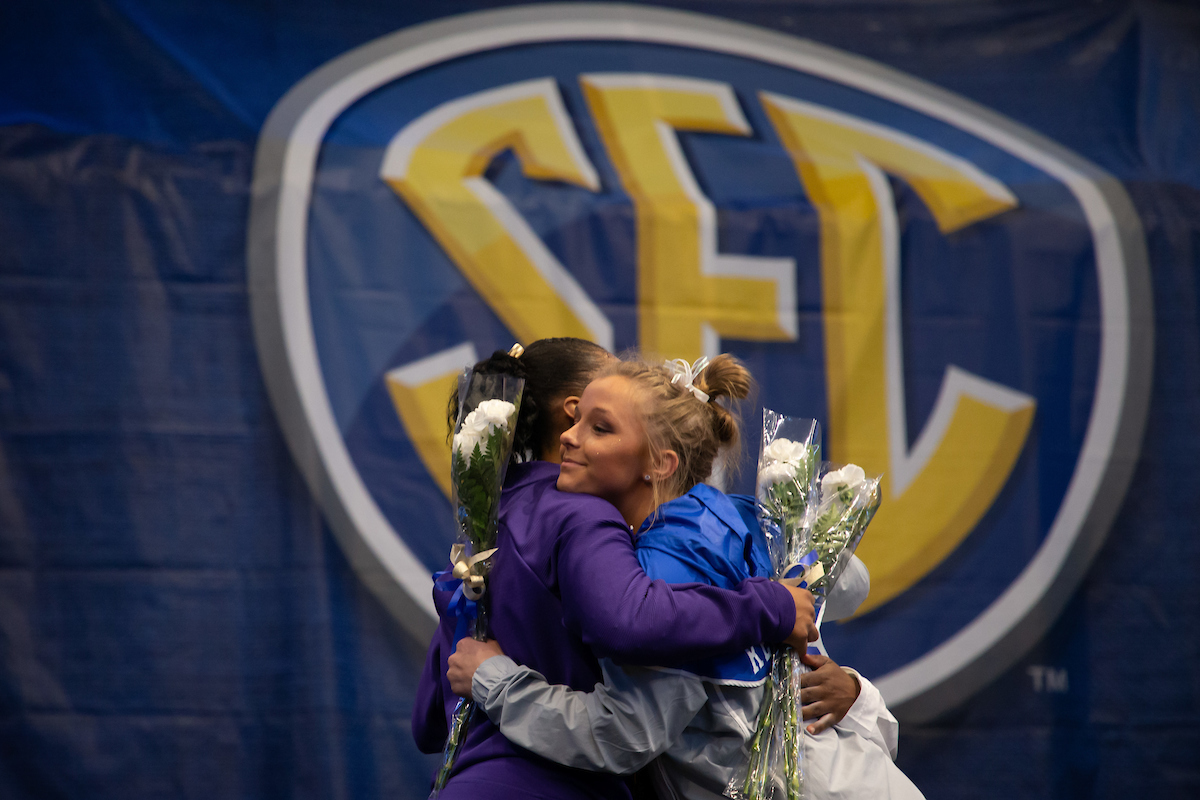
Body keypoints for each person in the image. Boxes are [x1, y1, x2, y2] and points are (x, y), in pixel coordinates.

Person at [446, 354, 923, 799]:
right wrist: (858, 695)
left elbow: (621, 737)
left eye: (600, 428)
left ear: (659, 464)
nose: (569, 436)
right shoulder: (748, 520)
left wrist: (495, 681)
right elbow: (849, 586)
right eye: (574, 422)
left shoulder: (668, 563)